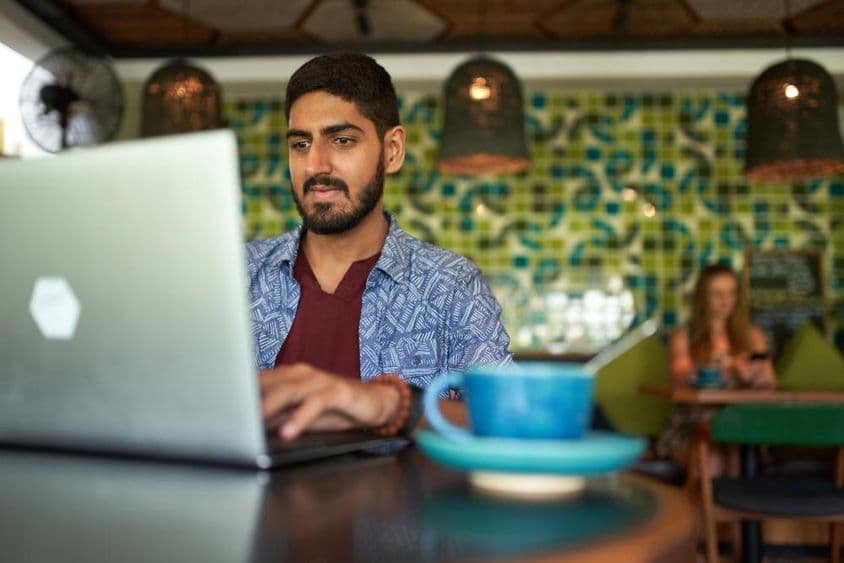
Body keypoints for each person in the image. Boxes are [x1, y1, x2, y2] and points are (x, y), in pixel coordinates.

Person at [247, 53, 511, 442]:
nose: (316, 165)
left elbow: (507, 419)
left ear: (392, 151)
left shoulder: (451, 286)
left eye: (342, 140)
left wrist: (389, 404)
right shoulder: (238, 276)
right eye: (301, 144)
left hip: (399, 504)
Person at [657, 263, 776, 471]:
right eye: (717, 294)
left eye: (731, 293)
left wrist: (753, 376)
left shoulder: (753, 335)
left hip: (742, 422)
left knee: (734, 449)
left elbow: (770, 381)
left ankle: (730, 501)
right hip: (694, 422)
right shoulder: (684, 335)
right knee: (713, 456)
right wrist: (728, 373)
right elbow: (681, 376)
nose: (726, 301)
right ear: (703, 297)